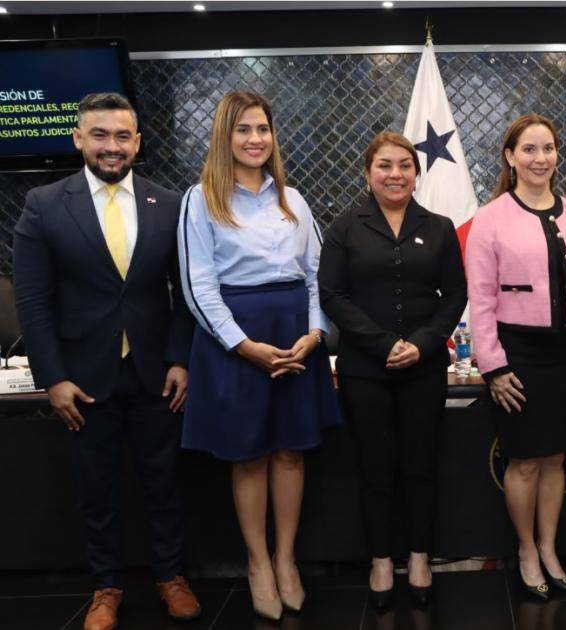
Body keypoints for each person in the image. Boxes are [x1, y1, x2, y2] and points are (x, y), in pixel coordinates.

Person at [13, 92, 201, 630]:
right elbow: (32, 300)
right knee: (96, 491)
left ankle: (171, 578)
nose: (111, 146)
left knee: (164, 484)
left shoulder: (170, 204)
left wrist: (180, 359)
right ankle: (106, 587)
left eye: (122, 136)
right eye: (99, 135)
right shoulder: (44, 204)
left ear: (137, 143)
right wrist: (53, 378)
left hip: (156, 374)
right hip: (83, 379)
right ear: (79, 138)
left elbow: (187, 291)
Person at [178, 90, 340, 620]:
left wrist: (314, 335)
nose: (255, 139)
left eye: (263, 129)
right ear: (224, 136)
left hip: (295, 339)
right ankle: (258, 564)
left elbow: (317, 276)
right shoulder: (201, 199)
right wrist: (245, 347)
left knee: (291, 451)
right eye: (243, 129)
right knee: (248, 455)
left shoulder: (294, 200)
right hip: (237, 342)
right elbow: (198, 286)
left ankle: (286, 559)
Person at [318, 131, 467, 608]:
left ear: (416, 173)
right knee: (375, 468)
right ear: (368, 173)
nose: (395, 174)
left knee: (421, 466)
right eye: (384, 165)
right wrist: (384, 344)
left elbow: (455, 295)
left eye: (405, 165)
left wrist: (421, 345)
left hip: (424, 368)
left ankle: (420, 557)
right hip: (365, 369)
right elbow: (332, 296)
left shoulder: (439, 227)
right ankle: (381, 560)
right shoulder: (345, 227)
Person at [466, 113, 566, 600]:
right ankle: (526, 550)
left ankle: (549, 548)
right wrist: (493, 365)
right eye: (528, 149)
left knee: (556, 459)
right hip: (517, 356)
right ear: (510, 156)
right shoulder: (490, 219)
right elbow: (481, 299)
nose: (540, 158)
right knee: (525, 462)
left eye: (547, 148)